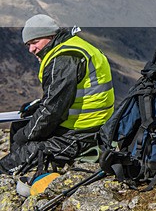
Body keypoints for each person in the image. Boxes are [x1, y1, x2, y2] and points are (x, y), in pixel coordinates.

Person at [0, 14, 115, 175]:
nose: (31, 49)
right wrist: (37, 107)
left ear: (50, 36)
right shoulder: (72, 45)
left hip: (80, 134)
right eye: (28, 45)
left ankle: (19, 174)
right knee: (20, 127)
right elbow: (63, 97)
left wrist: (26, 136)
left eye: (34, 42)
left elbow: (52, 111)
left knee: (15, 156)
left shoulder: (63, 59)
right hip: (92, 125)